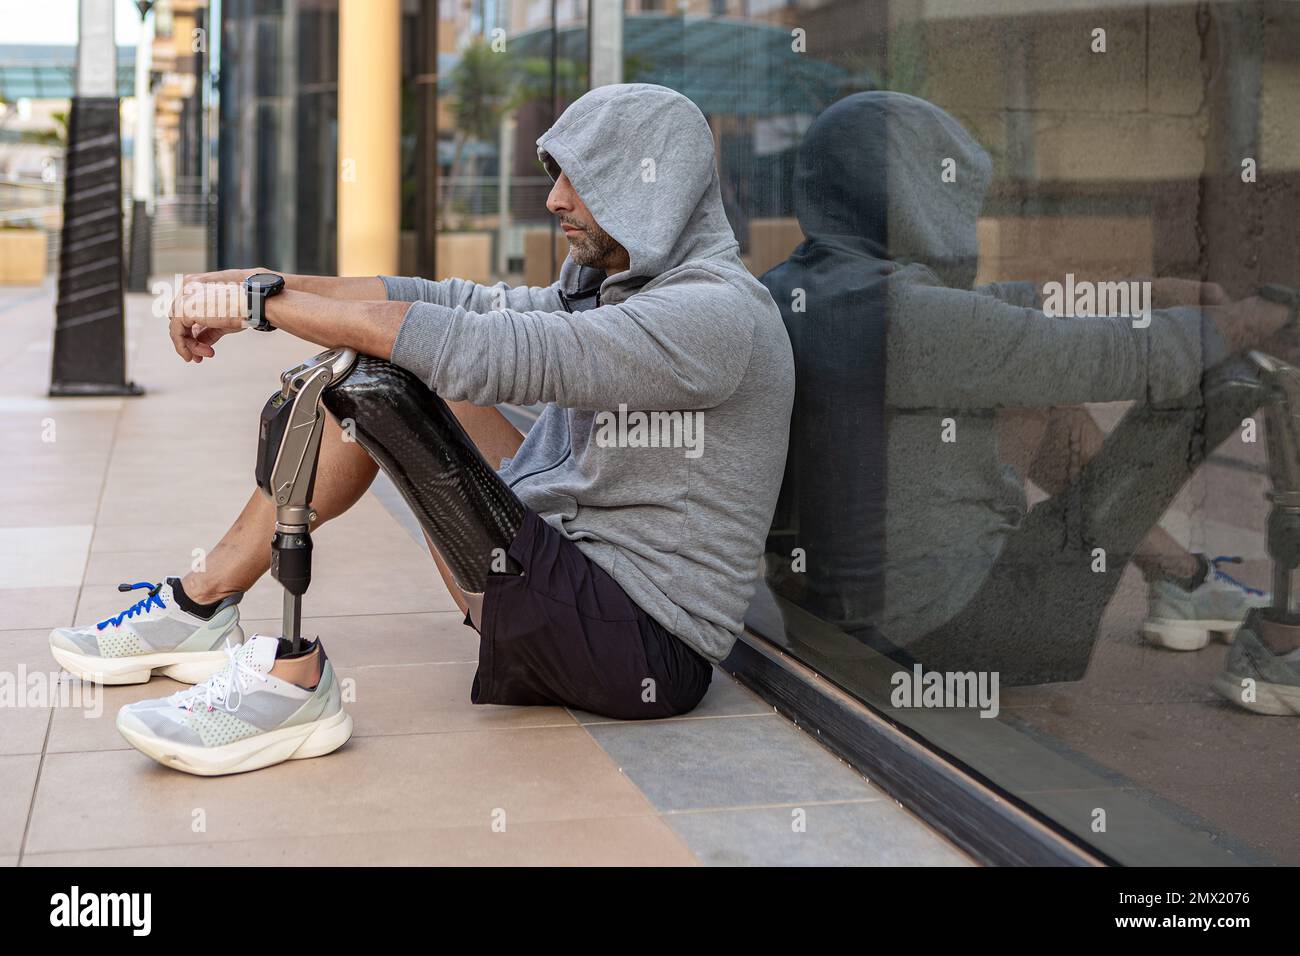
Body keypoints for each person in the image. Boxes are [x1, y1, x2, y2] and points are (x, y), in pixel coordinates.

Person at [49, 83, 795, 775]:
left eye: (582, 179)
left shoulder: (712, 316)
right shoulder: (619, 289)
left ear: (649, 188)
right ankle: (201, 601)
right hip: (572, 566)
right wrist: (264, 281)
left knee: (380, 385)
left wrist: (261, 307)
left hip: (636, 645)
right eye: (557, 172)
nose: (554, 198)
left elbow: (478, 350)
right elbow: (436, 300)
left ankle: (291, 683)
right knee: (384, 354)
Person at [762, 91, 1298, 687]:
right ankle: (1278, 657)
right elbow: (1122, 355)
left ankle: (1181, 577)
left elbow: (1004, 311)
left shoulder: (794, 290)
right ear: (912, 192)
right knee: (1221, 373)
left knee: (1031, 376)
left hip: (820, 626)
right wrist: (1261, 315)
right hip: (938, 643)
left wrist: (1151, 292)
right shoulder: (905, 319)